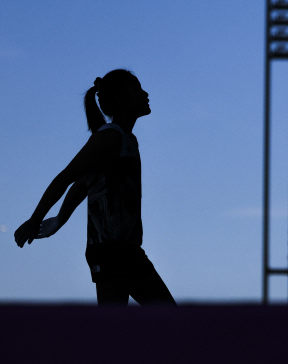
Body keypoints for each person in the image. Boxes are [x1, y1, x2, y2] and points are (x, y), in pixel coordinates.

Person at [14, 69, 176, 306]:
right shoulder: (109, 137)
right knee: (116, 331)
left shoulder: (127, 139)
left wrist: (60, 219)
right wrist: (35, 220)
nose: (146, 94)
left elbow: (83, 184)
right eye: (138, 90)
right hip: (110, 253)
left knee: (168, 322)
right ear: (121, 99)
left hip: (128, 251)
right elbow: (66, 178)